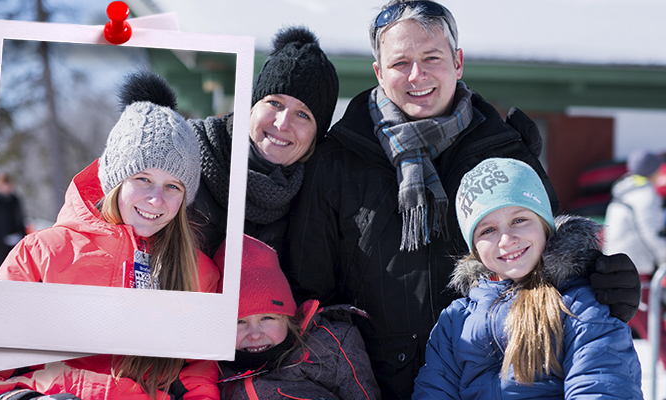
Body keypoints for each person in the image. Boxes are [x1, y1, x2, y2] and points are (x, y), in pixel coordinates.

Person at [284, 1, 641, 398]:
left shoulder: (505, 149)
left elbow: (547, 251)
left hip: (493, 378)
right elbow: (308, 291)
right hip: (370, 385)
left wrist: (603, 281)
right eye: (400, 62)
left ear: (458, 62)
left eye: (431, 57)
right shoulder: (337, 160)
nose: (417, 75)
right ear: (379, 73)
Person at [0, 71, 220, 400]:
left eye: (172, 186)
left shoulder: (200, 274)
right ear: (115, 181)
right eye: (143, 179)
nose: (156, 200)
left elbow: (199, 379)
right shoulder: (41, 255)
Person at [413, 158, 642, 398]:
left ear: (545, 225)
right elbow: (434, 390)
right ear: (475, 249)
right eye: (487, 230)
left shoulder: (581, 305)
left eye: (519, 220)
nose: (506, 239)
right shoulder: (455, 321)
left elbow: (600, 387)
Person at [189, 25, 338, 259]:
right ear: (251, 107)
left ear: (316, 137)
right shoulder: (189, 154)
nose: (282, 124)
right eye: (274, 103)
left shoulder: (315, 201)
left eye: (303, 115)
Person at [214, 235, 380, 400]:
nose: (255, 334)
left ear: (288, 319)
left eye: (267, 318)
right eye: (239, 322)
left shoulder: (329, 348)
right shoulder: (211, 371)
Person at [604, 149, 666, 278]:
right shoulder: (645, 195)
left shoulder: (625, 190)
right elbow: (650, 232)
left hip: (616, 260)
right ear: (653, 171)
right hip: (635, 264)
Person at [0, 172, 26, 278]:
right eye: (3, 186)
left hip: (15, 243)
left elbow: (20, 220)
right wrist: (1, 240)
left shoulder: (15, 200)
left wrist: (21, 236)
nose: (6, 189)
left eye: (8, 186)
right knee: (1, 273)